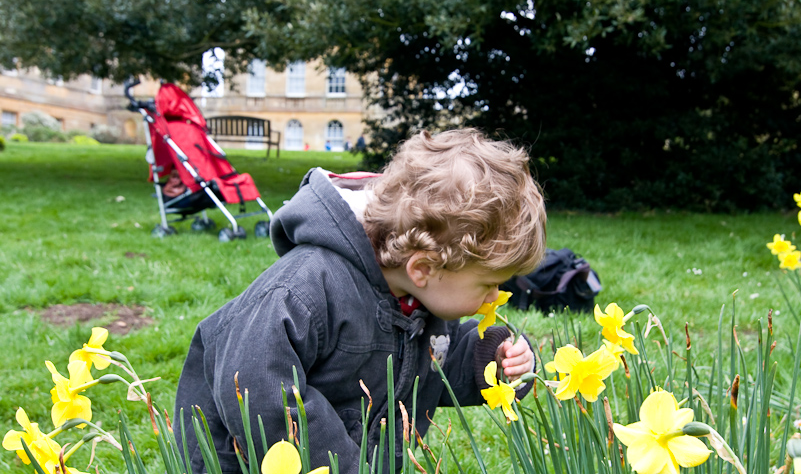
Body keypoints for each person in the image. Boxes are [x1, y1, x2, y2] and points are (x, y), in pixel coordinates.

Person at [174, 129, 547, 473]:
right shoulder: (302, 290)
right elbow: (258, 388)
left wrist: (494, 362)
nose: (496, 297)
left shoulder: (420, 298)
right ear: (424, 267)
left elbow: (435, 364)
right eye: (488, 283)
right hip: (244, 461)